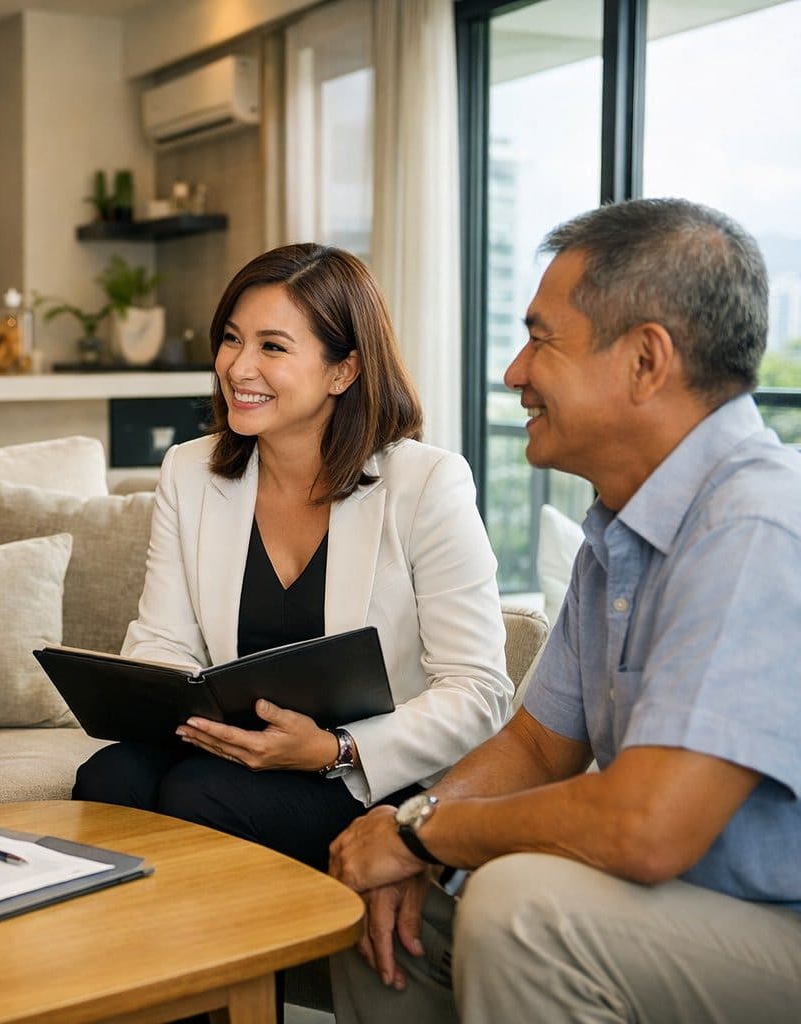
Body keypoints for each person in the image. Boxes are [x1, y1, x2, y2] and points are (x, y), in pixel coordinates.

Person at [327, 197, 801, 1022]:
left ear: (646, 361)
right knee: (364, 897)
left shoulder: (752, 526)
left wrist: (422, 835)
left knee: (521, 908)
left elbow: (648, 826)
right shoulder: (620, 531)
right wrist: (409, 830)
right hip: (668, 909)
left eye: (541, 338)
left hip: (775, 927)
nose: (514, 371)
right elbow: (540, 744)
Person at [72, 244, 512, 871]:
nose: (238, 368)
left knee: (198, 796)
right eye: (231, 339)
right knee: (109, 780)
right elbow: (162, 640)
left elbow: (478, 690)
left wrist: (333, 748)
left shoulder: (427, 484)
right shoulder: (189, 470)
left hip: (364, 776)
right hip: (229, 753)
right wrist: (179, 707)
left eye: (272, 347)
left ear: (344, 370)